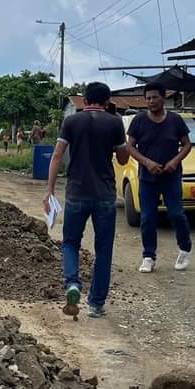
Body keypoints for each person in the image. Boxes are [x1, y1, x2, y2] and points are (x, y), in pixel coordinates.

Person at [43, 82, 129, 319]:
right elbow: (123, 159)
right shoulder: (114, 122)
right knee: (104, 249)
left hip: (76, 194)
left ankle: (72, 284)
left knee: (70, 243)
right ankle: (96, 304)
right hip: (105, 195)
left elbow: (57, 155)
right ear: (107, 101)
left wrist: (49, 190)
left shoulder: (71, 121)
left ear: (85, 100)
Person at [126, 82, 193, 273]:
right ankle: (148, 256)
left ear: (163, 98)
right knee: (147, 217)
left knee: (176, 214)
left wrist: (175, 161)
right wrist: (147, 162)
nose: (151, 101)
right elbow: (130, 147)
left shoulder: (175, 120)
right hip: (148, 178)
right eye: (147, 98)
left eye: (154, 97)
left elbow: (187, 144)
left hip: (171, 176)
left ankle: (185, 249)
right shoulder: (139, 120)